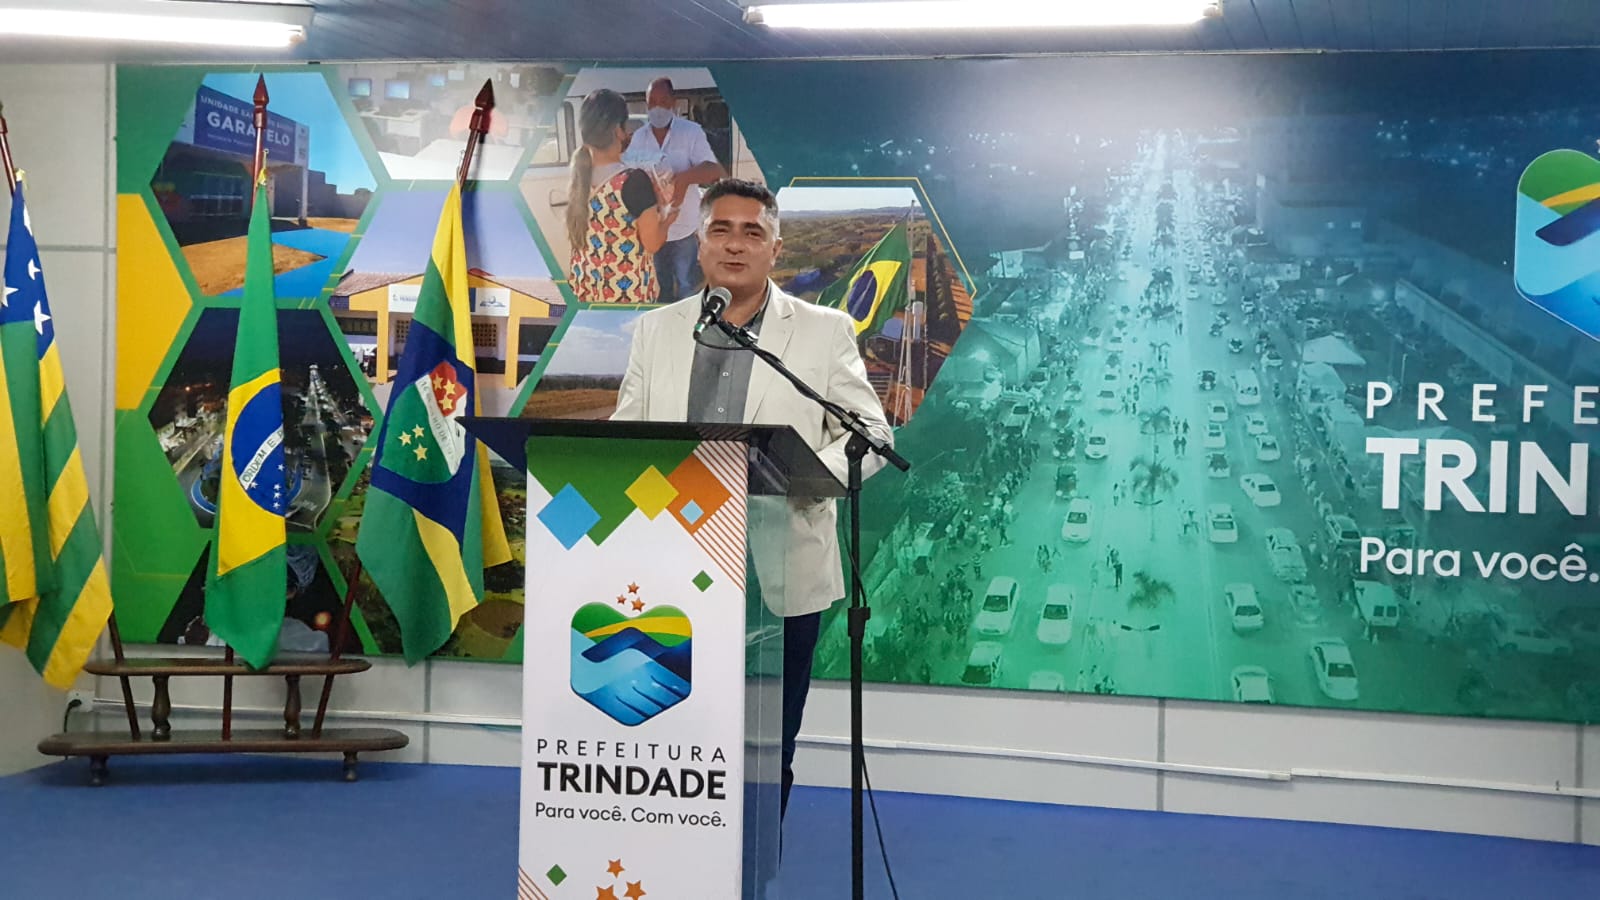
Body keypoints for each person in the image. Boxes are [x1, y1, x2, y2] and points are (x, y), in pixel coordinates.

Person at [613, 178, 894, 819]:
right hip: (672, 571)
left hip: (779, 570)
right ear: (700, 243)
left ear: (775, 248)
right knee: (670, 739)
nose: (735, 245)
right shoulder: (656, 331)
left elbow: (872, 435)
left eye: (752, 232)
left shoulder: (823, 332)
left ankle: (754, 861)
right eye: (720, 230)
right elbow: (625, 440)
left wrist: (805, 478)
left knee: (768, 746)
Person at [623, 77, 727, 301]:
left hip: (684, 229)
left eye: (663, 101)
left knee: (686, 286)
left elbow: (714, 170)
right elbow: (627, 175)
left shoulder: (691, 132)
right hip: (653, 229)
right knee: (660, 289)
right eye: (652, 102)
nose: (657, 108)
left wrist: (684, 179)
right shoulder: (639, 137)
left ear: (674, 102)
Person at [565, 88, 670, 304]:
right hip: (626, 300)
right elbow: (652, 244)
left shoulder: (580, 176)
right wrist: (667, 218)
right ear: (618, 130)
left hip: (586, 292)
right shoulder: (634, 181)